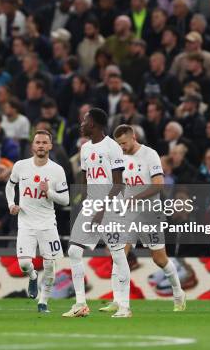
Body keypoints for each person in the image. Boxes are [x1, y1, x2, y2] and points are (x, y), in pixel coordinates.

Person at [112, 124, 186, 315]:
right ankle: (122, 304)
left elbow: (158, 185)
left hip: (149, 213)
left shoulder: (149, 155)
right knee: (120, 254)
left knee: (160, 259)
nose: (122, 147)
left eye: (124, 143)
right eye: (118, 144)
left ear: (133, 137)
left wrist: (134, 199)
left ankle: (178, 293)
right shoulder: (120, 157)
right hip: (129, 215)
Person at [62, 108, 125, 318]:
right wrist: (82, 201)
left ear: (95, 124)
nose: (81, 124)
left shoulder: (112, 147)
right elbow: (86, 177)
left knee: (117, 255)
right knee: (73, 251)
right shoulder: (85, 148)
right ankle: (81, 304)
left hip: (111, 207)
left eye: (85, 121)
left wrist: (102, 209)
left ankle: (124, 306)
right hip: (91, 206)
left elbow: (118, 185)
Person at [5, 130, 69, 313]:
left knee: (50, 265)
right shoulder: (20, 166)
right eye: (38, 142)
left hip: (48, 224)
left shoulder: (57, 170)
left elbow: (65, 200)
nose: (41, 145)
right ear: (33, 146)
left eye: (44, 142)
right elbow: (10, 186)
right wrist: (11, 204)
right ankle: (33, 277)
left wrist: (49, 192)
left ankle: (43, 302)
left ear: (50, 146)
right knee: (24, 264)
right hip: (25, 223)